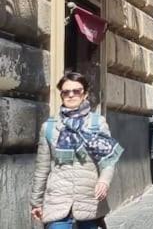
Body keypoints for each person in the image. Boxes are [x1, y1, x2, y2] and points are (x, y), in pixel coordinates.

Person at [31, 70, 122, 229]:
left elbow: (107, 161)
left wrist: (104, 181)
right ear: (61, 95)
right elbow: (42, 169)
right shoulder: (50, 127)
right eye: (66, 92)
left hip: (89, 198)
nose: (71, 95)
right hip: (57, 199)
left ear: (85, 94)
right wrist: (36, 202)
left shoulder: (96, 123)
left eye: (76, 91)